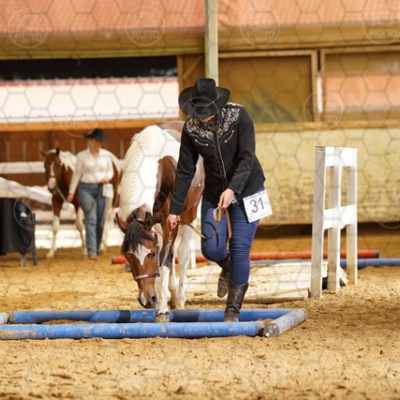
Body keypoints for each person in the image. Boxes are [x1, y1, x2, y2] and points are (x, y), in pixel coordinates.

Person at [167, 78, 268, 322]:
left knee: (240, 247)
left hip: (248, 189)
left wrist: (233, 189)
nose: (202, 118)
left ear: (218, 104)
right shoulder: (191, 129)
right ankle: (228, 266)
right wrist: (175, 209)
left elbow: (247, 157)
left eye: (206, 112)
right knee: (210, 248)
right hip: (214, 192)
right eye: (198, 113)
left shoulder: (240, 116)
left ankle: (232, 310)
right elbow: (184, 170)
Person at [67, 128, 114, 260]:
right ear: (91, 141)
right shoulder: (81, 156)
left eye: (101, 141)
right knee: (91, 219)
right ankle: (92, 251)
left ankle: (97, 247)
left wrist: (107, 177)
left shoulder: (106, 155)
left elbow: (110, 171)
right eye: (98, 141)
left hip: (103, 188)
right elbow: (77, 174)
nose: (100, 143)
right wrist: (71, 192)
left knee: (101, 221)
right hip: (86, 189)